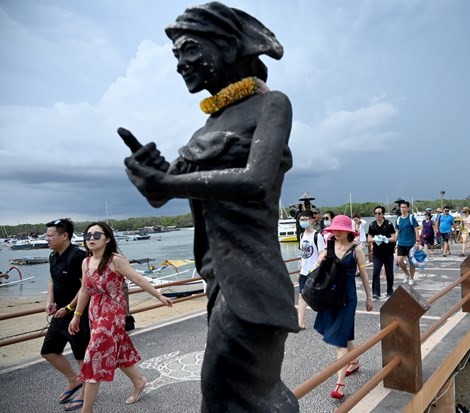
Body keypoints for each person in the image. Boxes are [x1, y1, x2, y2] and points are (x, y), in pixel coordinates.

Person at [121, 3, 300, 410]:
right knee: (237, 394)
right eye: (176, 56)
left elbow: (256, 181)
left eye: (188, 50)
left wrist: (167, 180)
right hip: (218, 283)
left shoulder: (272, 105)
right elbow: (162, 193)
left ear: (226, 46)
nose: (181, 64)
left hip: (253, 282)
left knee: (230, 392)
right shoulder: (205, 128)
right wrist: (149, 172)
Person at [68, 222, 173, 413]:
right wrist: (76, 316)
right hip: (95, 313)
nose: (91, 238)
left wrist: (159, 295)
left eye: (97, 235)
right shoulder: (86, 262)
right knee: (119, 351)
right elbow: (84, 289)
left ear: (107, 239)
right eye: (88, 235)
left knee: (94, 355)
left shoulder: (116, 261)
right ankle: (139, 381)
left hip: (113, 314)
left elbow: (138, 279)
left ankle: (87, 409)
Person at [313, 215, 373, 400]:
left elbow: (363, 274)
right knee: (342, 334)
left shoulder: (357, 250)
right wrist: (319, 263)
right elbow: (318, 269)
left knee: (340, 340)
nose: (335, 232)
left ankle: (340, 384)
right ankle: (353, 361)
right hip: (331, 296)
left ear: (348, 231)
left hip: (348, 298)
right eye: (333, 229)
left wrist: (369, 297)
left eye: (339, 229)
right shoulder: (328, 247)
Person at [41, 218, 89, 412]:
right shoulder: (53, 256)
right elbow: (52, 280)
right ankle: (73, 380)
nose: (47, 239)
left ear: (64, 236)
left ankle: (85, 395)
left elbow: (85, 286)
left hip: (78, 314)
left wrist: (69, 308)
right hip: (59, 314)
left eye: (50, 235)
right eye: (47, 235)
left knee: (81, 357)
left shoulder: (79, 256)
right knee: (48, 351)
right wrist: (49, 302)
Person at [298, 210, 325, 329]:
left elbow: (322, 252)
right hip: (304, 271)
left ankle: (326, 319)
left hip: (314, 272)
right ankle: (300, 322)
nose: (303, 222)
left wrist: (317, 264)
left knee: (318, 297)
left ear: (311, 220)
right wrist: (300, 270)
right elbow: (302, 254)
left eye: (305, 219)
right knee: (302, 296)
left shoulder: (317, 235)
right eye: (301, 220)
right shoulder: (301, 235)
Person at [367, 206, 397, 299]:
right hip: (377, 253)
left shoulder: (388, 224)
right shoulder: (372, 225)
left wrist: (385, 239)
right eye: (375, 213)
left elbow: (394, 238)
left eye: (379, 213)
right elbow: (369, 239)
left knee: (389, 272)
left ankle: (389, 290)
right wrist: (375, 239)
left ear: (383, 214)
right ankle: (376, 292)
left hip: (388, 251)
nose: (377, 215)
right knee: (376, 271)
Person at [395, 201, 419, 284]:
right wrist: (395, 242)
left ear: (408, 208)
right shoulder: (398, 219)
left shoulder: (411, 218)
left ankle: (412, 278)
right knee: (399, 260)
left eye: (404, 207)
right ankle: (407, 274)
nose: (403, 209)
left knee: (411, 262)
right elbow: (397, 231)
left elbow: (416, 230)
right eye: (401, 207)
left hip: (411, 243)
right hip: (401, 243)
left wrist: (417, 241)